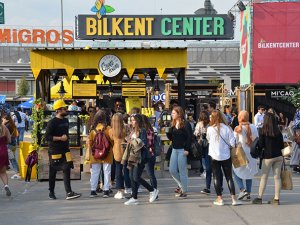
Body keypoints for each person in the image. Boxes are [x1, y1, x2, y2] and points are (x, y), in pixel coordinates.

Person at [45, 99, 81, 200]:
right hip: (54, 150)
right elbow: (47, 137)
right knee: (53, 172)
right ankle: (51, 192)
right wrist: (60, 138)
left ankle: (69, 192)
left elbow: (66, 134)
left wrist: (67, 141)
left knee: (67, 169)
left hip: (65, 149)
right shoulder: (52, 123)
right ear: (58, 110)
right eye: (64, 108)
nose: (66, 110)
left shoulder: (66, 120)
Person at [206, 110, 241, 206]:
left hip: (214, 156)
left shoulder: (209, 129)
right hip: (226, 156)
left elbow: (208, 140)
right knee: (229, 177)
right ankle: (234, 199)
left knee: (216, 177)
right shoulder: (227, 128)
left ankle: (219, 199)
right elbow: (232, 143)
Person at [123, 114, 159, 205]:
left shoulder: (142, 130)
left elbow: (143, 143)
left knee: (136, 177)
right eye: (131, 120)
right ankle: (134, 197)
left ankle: (152, 190)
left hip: (140, 156)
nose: (132, 122)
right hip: (132, 155)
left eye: (134, 120)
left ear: (138, 121)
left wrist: (131, 141)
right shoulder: (133, 130)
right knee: (131, 176)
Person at [252, 113, 284, 205]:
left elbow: (261, 145)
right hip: (278, 156)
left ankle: (259, 198)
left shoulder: (262, 131)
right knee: (277, 178)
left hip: (267, 157)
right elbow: (282, 145)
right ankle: (277, 199)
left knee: (264, 177)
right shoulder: (278, 131)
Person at [86, 110, 113, 198]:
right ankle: (106, 190)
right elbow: (112, 141)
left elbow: (89, 142)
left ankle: (93, 190)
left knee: (95, 172)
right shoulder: (108, 128)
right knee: (107, 171)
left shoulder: (93, 129)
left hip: (95, 154)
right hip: (107, 153)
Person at [167, 106, 192, 198]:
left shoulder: (186, 124)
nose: (171, 115)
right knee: (172, 170)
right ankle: (182, 185)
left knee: (182, 171)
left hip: (182, 150)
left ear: (179, 114)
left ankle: (184, 191)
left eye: (173, 113)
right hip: (174, 149)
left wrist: (187, 149)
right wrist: (168, 131)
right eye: (172, 113)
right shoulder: (173, 123)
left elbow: (189, 137)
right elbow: (171, 137)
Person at [233, 111, 259, 201]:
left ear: (239, 118)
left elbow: (234, 141)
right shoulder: (254, 127)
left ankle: (242, 189)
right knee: (249, 173)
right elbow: (257, 139)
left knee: (235, 170)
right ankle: (248, 193)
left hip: (241, 152)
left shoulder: (238, 128)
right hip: (252, 152)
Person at [194, 110, 212, 194]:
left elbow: (195, 134)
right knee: (211, 167)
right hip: (209, 146)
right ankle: (216, 185)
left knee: (208, 167)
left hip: (204, 147)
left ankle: (208, 186)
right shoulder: (211, 124)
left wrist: (200, 135)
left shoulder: (199, 124)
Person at [110, 113, 127, 200]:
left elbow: (111, 139)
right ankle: (128, 187)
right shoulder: (125, 129)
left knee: (118, 171)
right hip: (125, 150)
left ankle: (119, 189)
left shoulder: (111, 130)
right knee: (126, 170)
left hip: (116, 151)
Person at [141, 115, 158, 193]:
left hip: (148, 154)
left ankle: (154, 191)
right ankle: (154, 190)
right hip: (151, 153)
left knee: (150, 173)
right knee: (150, 173)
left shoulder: (145, 131)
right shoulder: (151, 129)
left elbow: (147, 143)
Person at [2, 114, 21, 180]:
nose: (2, 120)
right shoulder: (11, 124)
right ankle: (6, 167)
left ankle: (17, 172)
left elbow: (4, 135)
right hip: (13, 144)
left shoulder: (7, 126)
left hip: (9, 145)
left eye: (3, 119)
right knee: (11, 158)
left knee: (12, 159)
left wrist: (3, 124)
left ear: (6, 119)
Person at [0, 115, 12, 197]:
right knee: (3, 172)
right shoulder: (4, 128)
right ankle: (6, 186)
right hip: (3, 151)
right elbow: (9, 140)